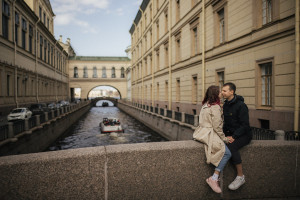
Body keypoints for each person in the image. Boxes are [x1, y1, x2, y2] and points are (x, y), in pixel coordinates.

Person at [193, 85, 231, 193]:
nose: (221, 93)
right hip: (210, 134)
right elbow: (217, 126)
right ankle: (213, 178)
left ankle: (214, 177)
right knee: (227, 153)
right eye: (219, 92)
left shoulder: (206, 104)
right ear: (215, 94)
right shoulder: (215, 107)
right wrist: (225, 139)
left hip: (201, 133)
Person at [222, 82, 252, 190]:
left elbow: (245, 125)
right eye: (222, 90)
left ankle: (240, 176)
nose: (222, 93)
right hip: (232, 134)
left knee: (231, 147)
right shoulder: (225, 105)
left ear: (232, 92)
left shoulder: (241, 106)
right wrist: (222, 135)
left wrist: (234, 136)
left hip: (244, 135)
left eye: (224, 91)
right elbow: (226, 123)